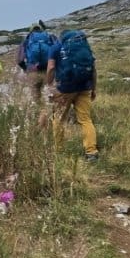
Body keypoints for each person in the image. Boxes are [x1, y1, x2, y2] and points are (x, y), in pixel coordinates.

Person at [46, 29, 99, 161]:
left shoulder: (55, 47)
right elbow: (93, 69)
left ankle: (59, 151)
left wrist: (49, 86)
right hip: (84, 87)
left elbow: (51, 67)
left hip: (65, 89)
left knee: (58, 119)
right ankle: (91, 152)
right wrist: (94, 89)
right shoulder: (84, 46)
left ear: (61, 37)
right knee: (85, 120)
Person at [17, 22, 57, 103]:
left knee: (35, 94)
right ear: (41, 29)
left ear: (30, 31)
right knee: (50, 91)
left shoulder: (26, 40)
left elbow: (20, 60)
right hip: (49, 69)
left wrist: (26, 69)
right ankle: (52, 108)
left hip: (33, 70)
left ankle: (38, 109)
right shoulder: (49, 37)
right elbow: (58, 50)